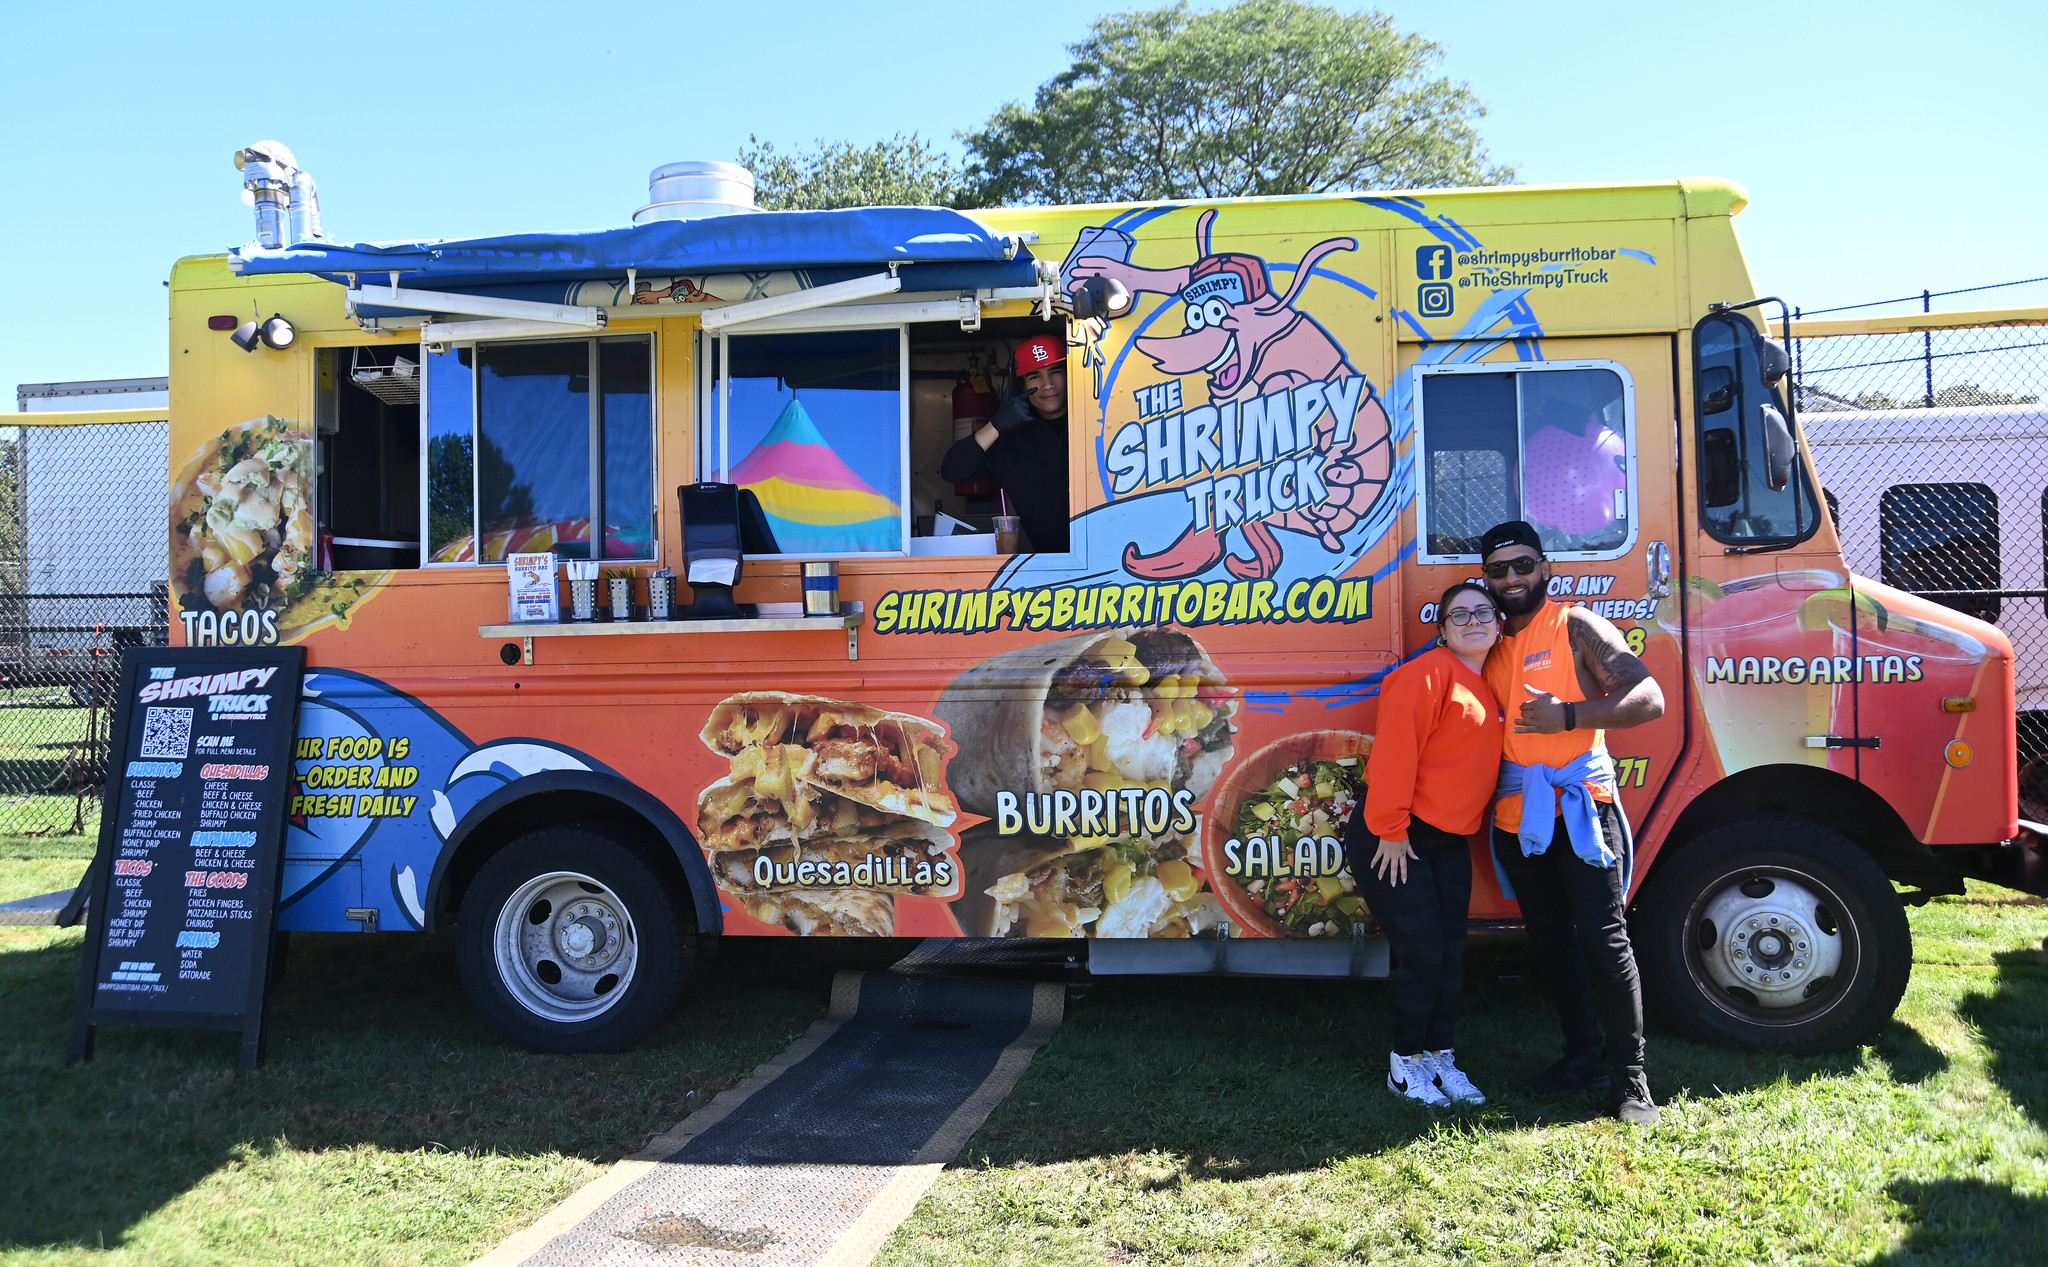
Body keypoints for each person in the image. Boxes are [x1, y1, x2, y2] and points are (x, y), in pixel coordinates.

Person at [1479, 519, 1666, 1126]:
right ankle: (1581, 1057)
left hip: (1584, 809)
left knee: (1605, 941)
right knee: (1553, 944)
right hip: (1517, 821)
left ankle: (1630, 1080)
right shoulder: (1486, 645)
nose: (1512, 578)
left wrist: (1571, 716)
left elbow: (1649, 698)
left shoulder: (1576, 624)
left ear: (1546, 568)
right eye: (1499, 570)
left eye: (1523, 565)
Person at [1349, 582, 1506, 1107]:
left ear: (1499, 624)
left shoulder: (1487, 682)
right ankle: (1405, 1065)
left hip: (1448, 840)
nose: (1473, 621)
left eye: (1484, 612)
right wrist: (1392, 831)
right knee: (1422, 952)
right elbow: (1395, 753)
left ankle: (1440, 1057)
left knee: (1450, 953)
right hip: (1398, 837)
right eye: (1458, 615)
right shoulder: (1426, 674)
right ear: (1441, 630)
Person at [939, 334, 1071, 552]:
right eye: (1034, 376)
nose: (1047, 385)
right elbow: (952, 471)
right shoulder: (1011, 441)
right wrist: (996, 425)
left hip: (1114, 558)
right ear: (1020, 385)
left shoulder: (1096, 421)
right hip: (1050, 567)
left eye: (1055, 372)